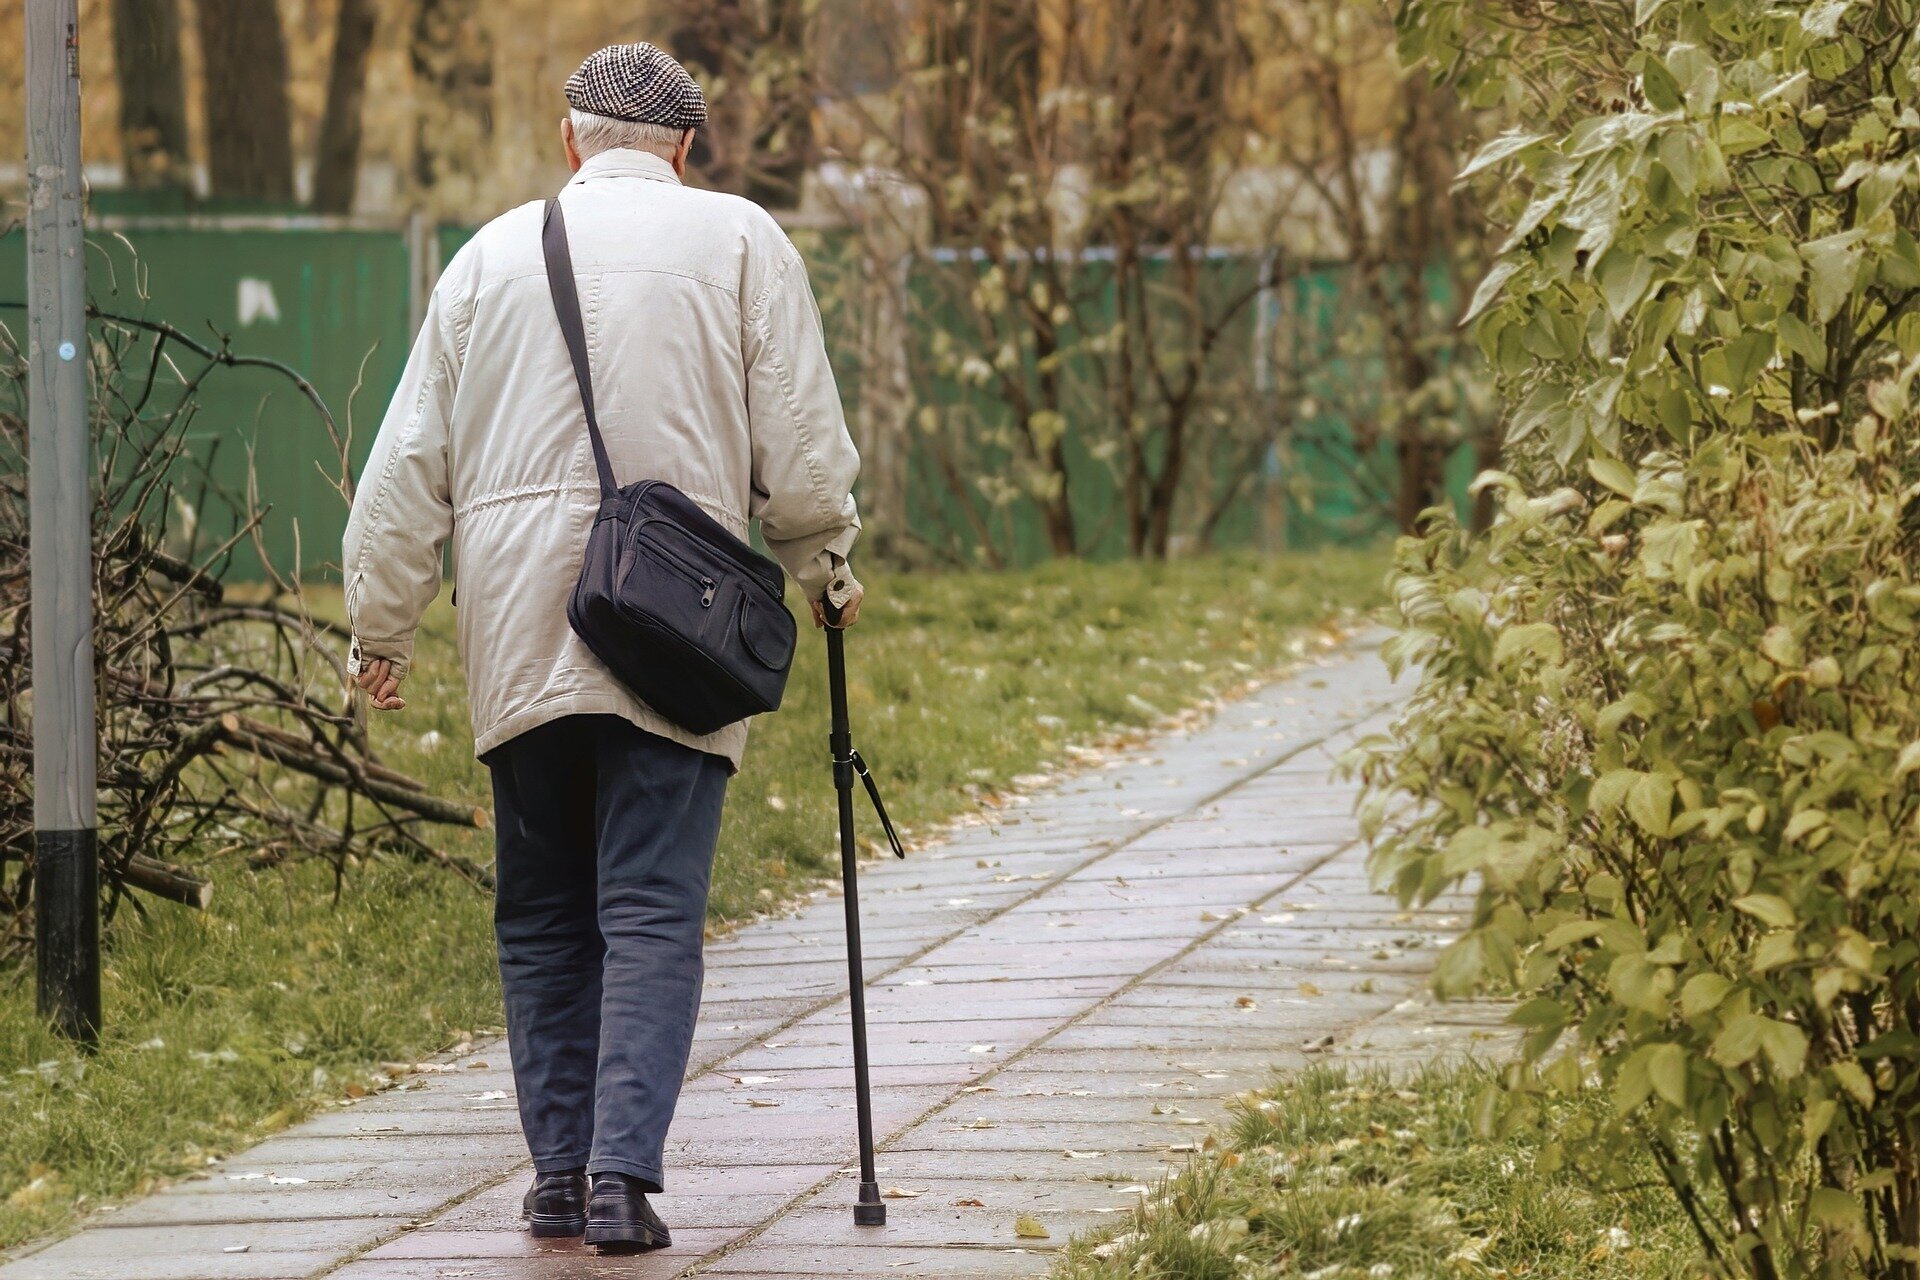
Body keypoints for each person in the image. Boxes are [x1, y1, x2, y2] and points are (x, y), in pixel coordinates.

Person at [341, 41, 864, 1254]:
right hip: (671, 624)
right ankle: (624, 1176)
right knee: (650, 910)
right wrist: (825, 568)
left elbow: (406, 465)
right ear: (685, 149)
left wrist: (382, 624)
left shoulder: (482, 261)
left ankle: (554, 1178)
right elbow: (799, 439)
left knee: (538, 916)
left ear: (569, 140)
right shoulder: (742, 242)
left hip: (521, 624)